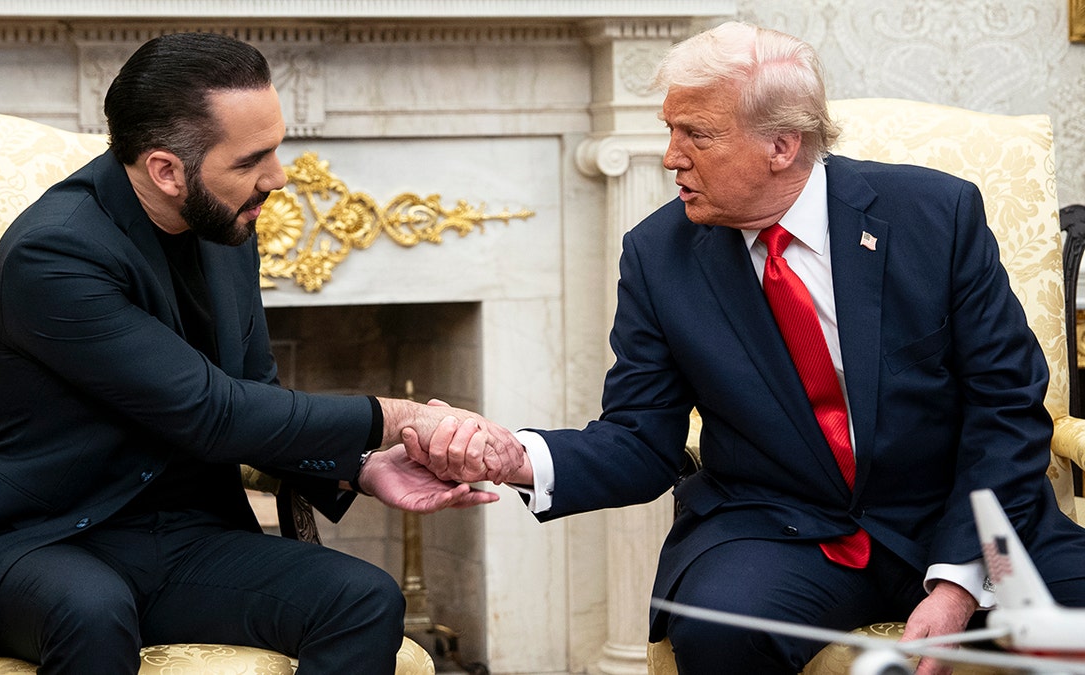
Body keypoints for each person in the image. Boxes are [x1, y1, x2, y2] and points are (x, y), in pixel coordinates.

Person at [406, 21, 1085, 675]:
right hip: (781, 527)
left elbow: (1007, 406)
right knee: (718, 626)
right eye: (670, 131)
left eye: (695, 135)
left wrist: (960, 581)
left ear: (782, 145)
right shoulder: (658, 255)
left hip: (955, 509)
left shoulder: (935, 217)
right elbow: (642, 441)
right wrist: (516, 456)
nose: (671, 155)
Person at [0, 31, 521, 675]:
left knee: (363, 600)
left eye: (276, 149)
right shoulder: (54, 253)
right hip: (41, 538)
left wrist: (363, 466)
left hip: (184, 541)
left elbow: (257, 394)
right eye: (251, 160)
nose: (278, 179)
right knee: (91, 609)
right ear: (166, 169)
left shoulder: (225, 225)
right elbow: (212, 412)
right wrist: (398, 417)